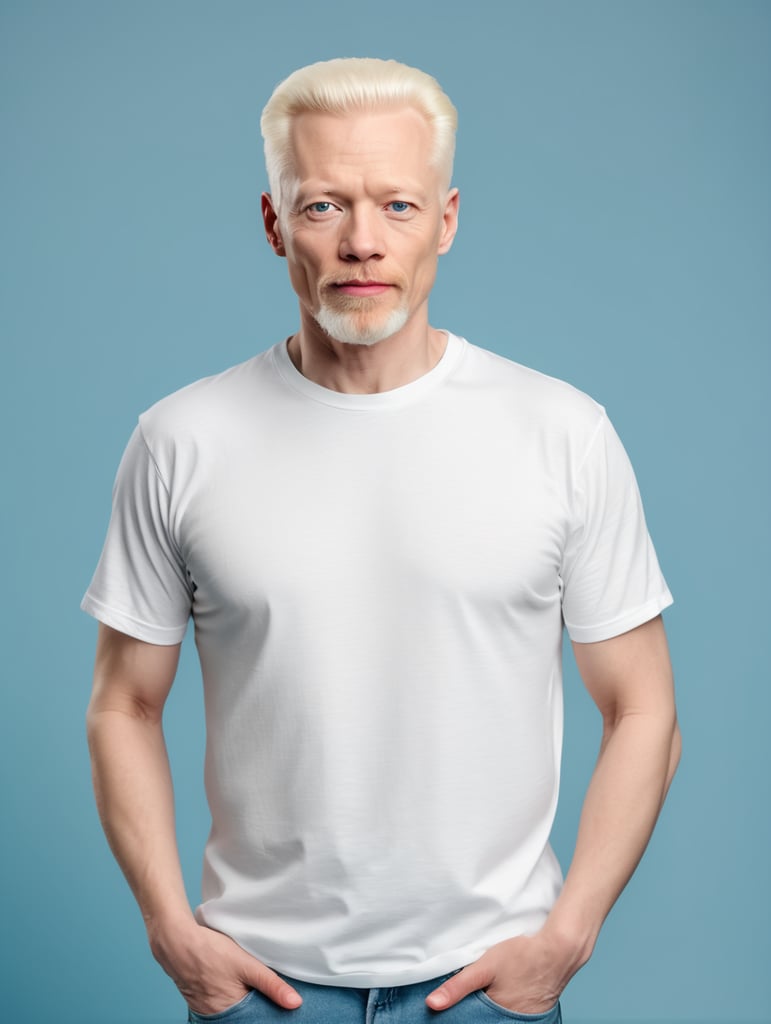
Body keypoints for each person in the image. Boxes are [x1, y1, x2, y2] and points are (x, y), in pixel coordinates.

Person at [83, 57, 681, 1024]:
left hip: (489, 991)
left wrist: (567, 936)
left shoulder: (562, 433)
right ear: (274, 223)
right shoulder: (181, 440)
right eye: (323, 206)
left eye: (397, 205)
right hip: (259, 990)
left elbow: (643, 707)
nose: (362, 241)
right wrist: (169, 930)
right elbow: (123, 703)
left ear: (445, 219)